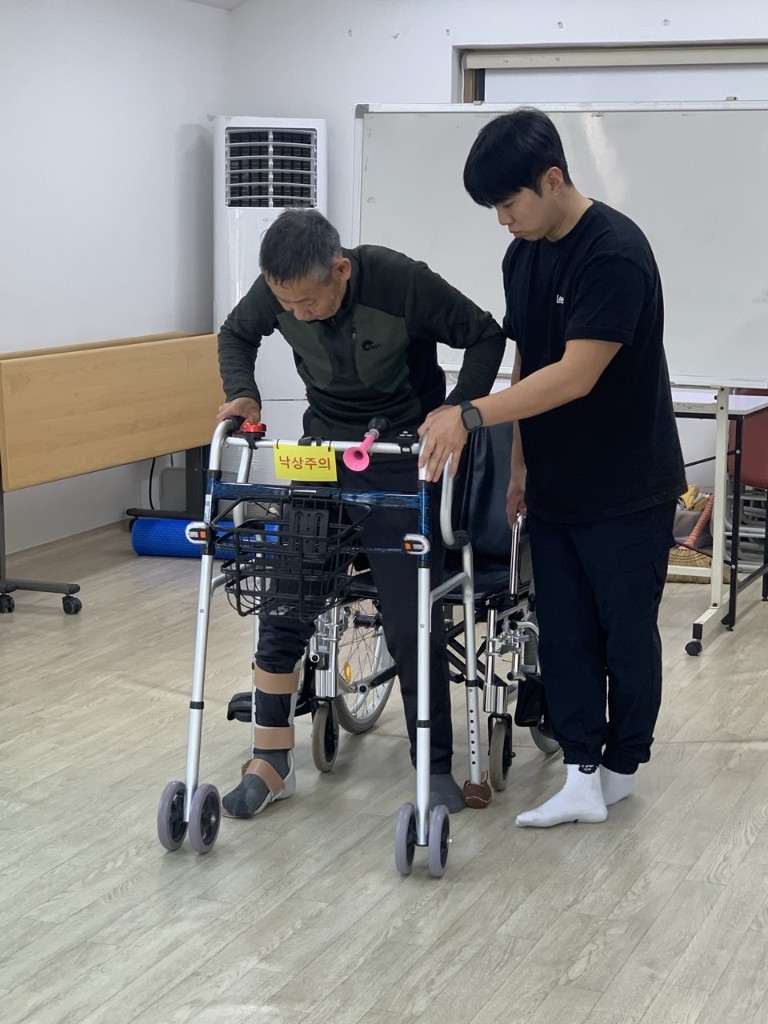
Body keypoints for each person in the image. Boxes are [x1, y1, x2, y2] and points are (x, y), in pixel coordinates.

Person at [419, 107, 686, 828]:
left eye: (509, 203)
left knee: (625, 634)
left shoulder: (614, 253)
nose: (503, 220)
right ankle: (580, 771)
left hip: (629, 486)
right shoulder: (523, 255)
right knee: (564, 633)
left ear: (553, 179)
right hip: (556, 483)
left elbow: (574, 375)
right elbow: (529, 362)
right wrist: (518, 467)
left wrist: (471, 413)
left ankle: (623, 763)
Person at [216, 208, 506, 819]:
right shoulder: (280, 287)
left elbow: (485, 335)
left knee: (409, 616)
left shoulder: (402, 282)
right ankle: (270, 758)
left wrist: (457, 410)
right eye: (284, 303)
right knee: (286, 598)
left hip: (401, 456)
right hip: (323, 452)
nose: (295, 314)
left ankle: (432, 765)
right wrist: (243, 391)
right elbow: (236, 333)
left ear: (341, 270)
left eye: (307, 301)